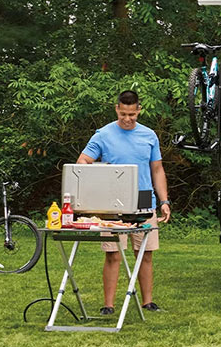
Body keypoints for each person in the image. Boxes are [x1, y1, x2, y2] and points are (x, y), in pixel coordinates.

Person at [77, 90, 172, 314]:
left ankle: (148, 302)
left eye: (132, 115)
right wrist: (99, 176)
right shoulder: (102, 134)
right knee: (113, 254)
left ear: (139, 110)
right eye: (123, 114)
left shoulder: (149, 135)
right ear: (117, 109)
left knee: (145, 253)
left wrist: (164, 201)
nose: (128, 119)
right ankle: (108, 305)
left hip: (143, 201)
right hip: (112, 204)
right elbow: (83, 161)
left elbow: (157, 169)